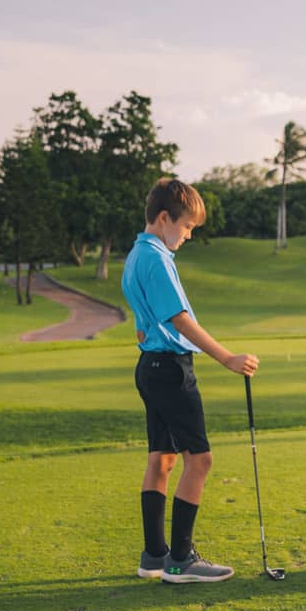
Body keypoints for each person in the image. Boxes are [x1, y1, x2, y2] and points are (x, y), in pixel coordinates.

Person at [123, 178, 259, 584]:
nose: (188, 234)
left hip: (150, 367)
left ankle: (153, 557)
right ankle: (181, 560)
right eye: (186, 226)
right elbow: (180, 319)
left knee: (161, 459)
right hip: (170, 370)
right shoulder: (157, 258)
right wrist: (227, 358)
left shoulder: (136, 254)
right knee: (199, 460)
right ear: (164, 218)